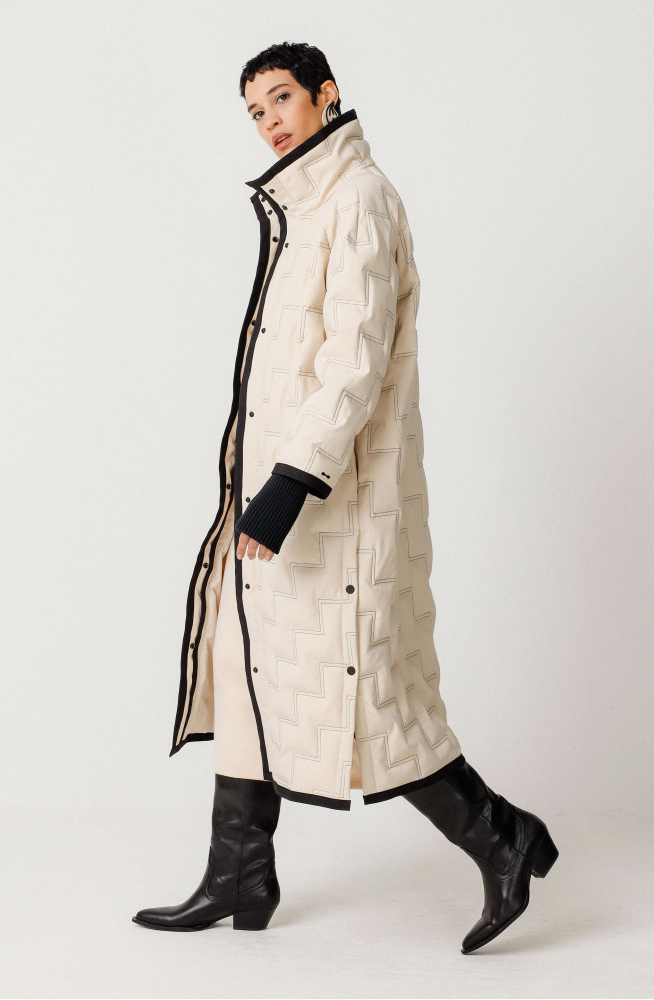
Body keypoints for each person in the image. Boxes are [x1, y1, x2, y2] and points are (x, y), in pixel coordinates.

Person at [132, 42, 558, 954]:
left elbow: (353, 362)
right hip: (277, 495)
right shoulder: (304, 207)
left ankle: (505, 839)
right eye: (255, 111)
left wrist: (288, 486)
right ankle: (238, 875)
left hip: (337, 505)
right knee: (247, 670)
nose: (269, 122)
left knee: (368, 695)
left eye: (281, 99)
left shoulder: (358, 197)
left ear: (326, 95)